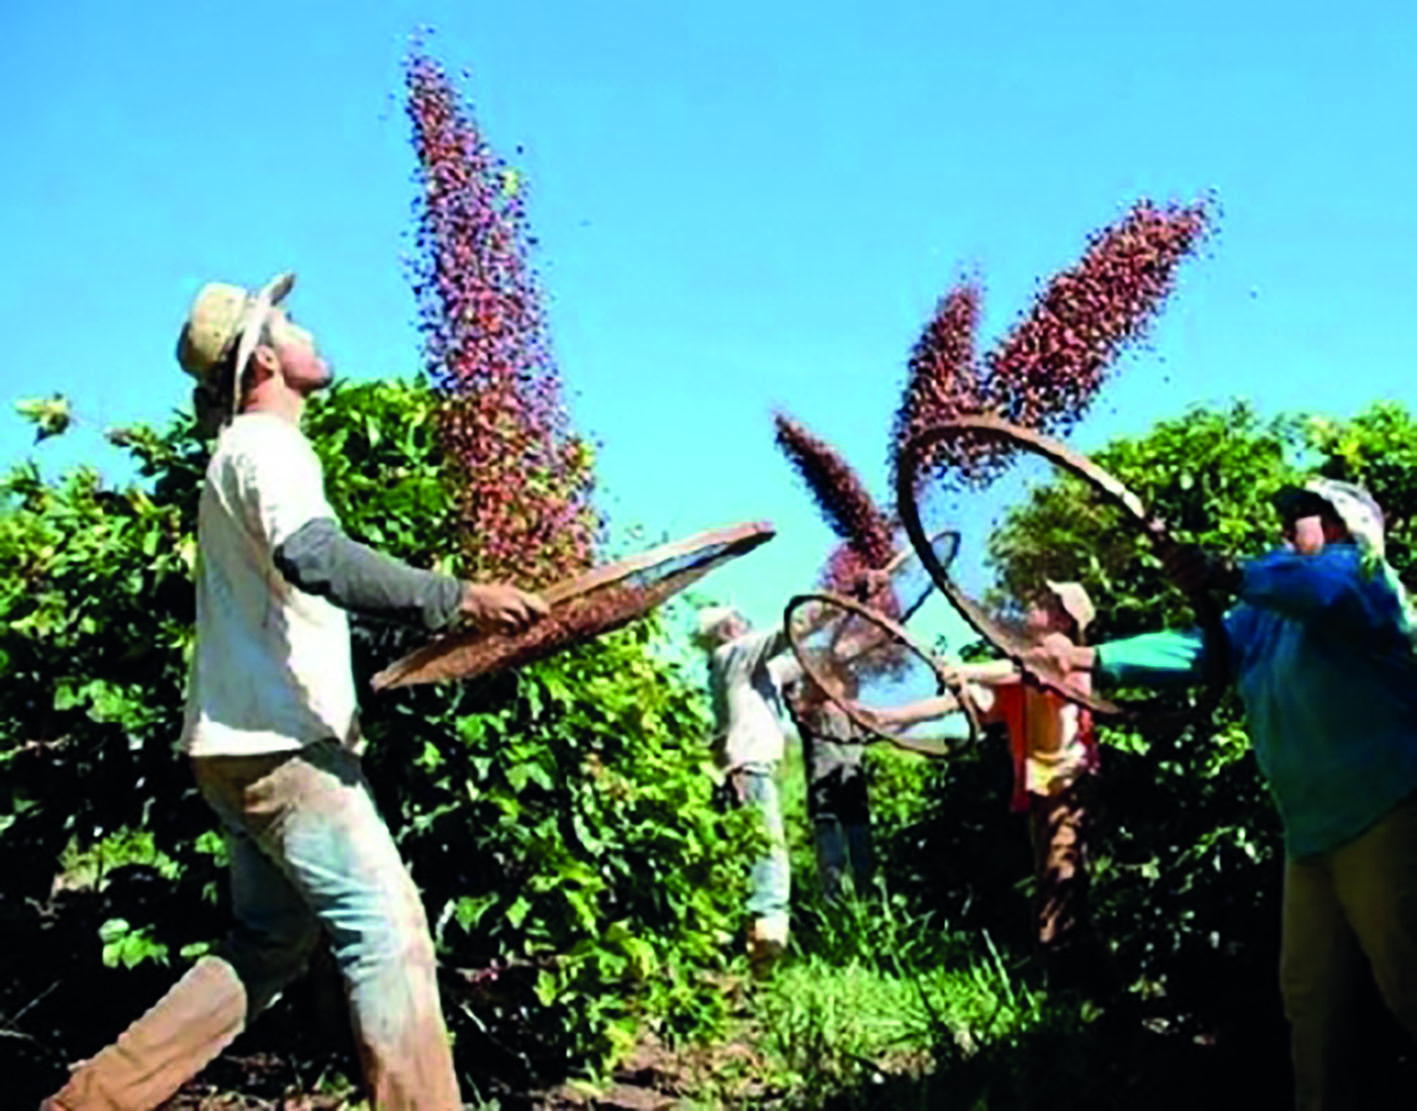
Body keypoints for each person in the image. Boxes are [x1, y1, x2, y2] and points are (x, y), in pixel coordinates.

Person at [42, 273, 548, 1111]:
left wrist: (432, 627)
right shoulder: (268, 447)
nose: (311, 333)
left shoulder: (235, 457)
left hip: (235, 744)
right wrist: (458, 594)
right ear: (266, 358)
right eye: (292, 324)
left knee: (267, 943)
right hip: (284, 747)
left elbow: (302, 593)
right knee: (389, 936)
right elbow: (315, 557)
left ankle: (91, 1100)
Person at [1025, 478, 1417, 1110]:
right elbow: (1204, 648)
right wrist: (1089, 659)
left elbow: (1317, 587)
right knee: (1312, 1000)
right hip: (1311, 833)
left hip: (1388, 811)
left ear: (1345, 525)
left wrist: (1222, 569)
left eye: (1306, 514)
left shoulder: (1362, 578)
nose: (1291, 525)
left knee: (1409, 984)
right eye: (1288, 515)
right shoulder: (1265, 615)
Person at [866, 582, 1103, 982]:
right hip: (1043, 790)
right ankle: (1075, 982)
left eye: (1046, 602)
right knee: (1054, 880)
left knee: (1060, 881)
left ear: (1063, 618)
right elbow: (964, 703)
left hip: (1070, 784)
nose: (1032, 603)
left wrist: (966, 669)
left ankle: (1064, 987)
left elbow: (1025, 669)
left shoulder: (1060, 654)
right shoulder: (1021, 670)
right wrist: (886, 718)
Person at [696, 605, 802, 970]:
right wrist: (841, 598)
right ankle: (765, 950)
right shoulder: (732, 656)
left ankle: (736, 945)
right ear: (725, 630)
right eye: (735, 619)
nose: (743, 620)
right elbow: (789, 632)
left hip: (750, 768)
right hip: (747, 768)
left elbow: (809, 655)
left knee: (750, 857)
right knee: (768, 859)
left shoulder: (757, 670)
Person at [784, 659, 873, 900]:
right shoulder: (810, 714)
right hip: (824, 796)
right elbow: (788, 689)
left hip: (854, 792)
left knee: (861, 852)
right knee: (830, 857)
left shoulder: (857, 715)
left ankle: (864, 904)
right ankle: (833, 907)